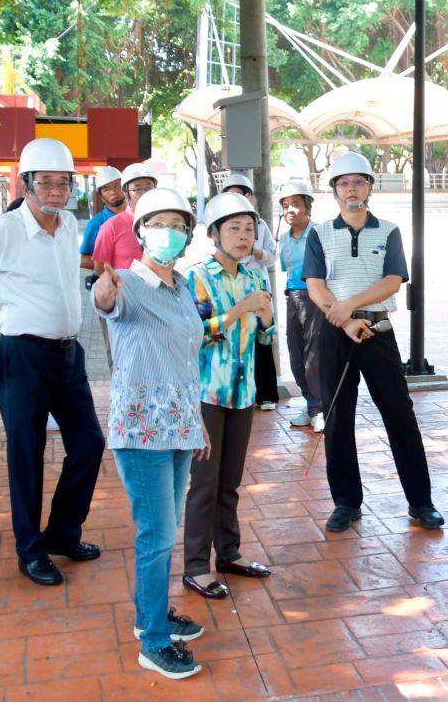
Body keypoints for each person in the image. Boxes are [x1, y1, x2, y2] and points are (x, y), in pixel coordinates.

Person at [0, 137, 105, 586]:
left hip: (69, 356)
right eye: (46, 183)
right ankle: (30, 550)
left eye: (63, 183)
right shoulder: (4, 230)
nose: (56, 191)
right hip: (23, 357)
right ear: (27, 184)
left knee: (89, 443)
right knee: (26, 453)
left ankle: (62, 532)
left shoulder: (69, 225)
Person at [92, 188, 210, 680]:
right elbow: (105, 302)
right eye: (159, 222)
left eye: (179, 224)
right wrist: (102, 293)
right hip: (141, 431)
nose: (171, 231)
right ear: (140, 232)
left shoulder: (183, 286)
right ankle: (154, 643)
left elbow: (187, 361)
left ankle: (151, 618)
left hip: (180, 426)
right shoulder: (127, 283)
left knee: (166, 531)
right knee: (157, 535)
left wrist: (197, 422)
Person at [303, 152, 443, 533]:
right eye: (344, 182)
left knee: (400, 416)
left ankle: (421, 501)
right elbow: (315, 286)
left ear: (370, 186)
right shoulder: (319, 233)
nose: (352, 188)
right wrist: (345, 318)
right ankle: (346, 502)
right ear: (334, 189)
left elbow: (394, 279)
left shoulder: (389, 230)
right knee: (337, 419)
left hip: (378, 332)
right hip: (335, 334)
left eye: (359, 182)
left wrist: (352, 304)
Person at [182, 191, 274, 599]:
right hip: (207, 394)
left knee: (231, 481)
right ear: (214, 234)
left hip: (243, 393)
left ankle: (230, 553)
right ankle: (196, 565)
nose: (242, 236)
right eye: (233, 228)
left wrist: (268, 319)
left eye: (249, 228)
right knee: (205, 481)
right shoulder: (197, 277)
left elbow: (266, 337)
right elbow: (196, 333)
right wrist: (239, 310)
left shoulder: (256, 276)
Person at [219, 173, 279, 411]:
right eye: (232, 193)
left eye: (244, 193)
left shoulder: (260, 226)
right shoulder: (220, 225)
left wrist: (255, 250)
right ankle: (238, 390)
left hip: (256, 284)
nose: (239, 198)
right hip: (230, 286)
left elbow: (272, 257)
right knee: (235, 333)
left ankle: (266, 394)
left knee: (262, 336)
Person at [277, 180, 323, 431]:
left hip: (314, 298)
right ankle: (310, 404)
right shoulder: (285, 238)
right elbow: (286, 269)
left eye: (295, 204)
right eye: (285, 206)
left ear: (308, 207)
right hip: (292, 298)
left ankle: (319, 408)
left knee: (313, 355)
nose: (290, 210)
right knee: (296, 355)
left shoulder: (319, 233)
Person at [92, 162, 157, 274]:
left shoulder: (163, 223)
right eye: (137, 189)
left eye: (149, 187)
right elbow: (100, 270)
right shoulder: (110, 227)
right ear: (125, 192)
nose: (144, 193)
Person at [80, 166, 124, 271]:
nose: (113, 192)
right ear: (101, 196)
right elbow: (83, 260)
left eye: (117, 186)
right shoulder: (96, 223)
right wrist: (117, 263)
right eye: (106, 189)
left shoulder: (137, 215)